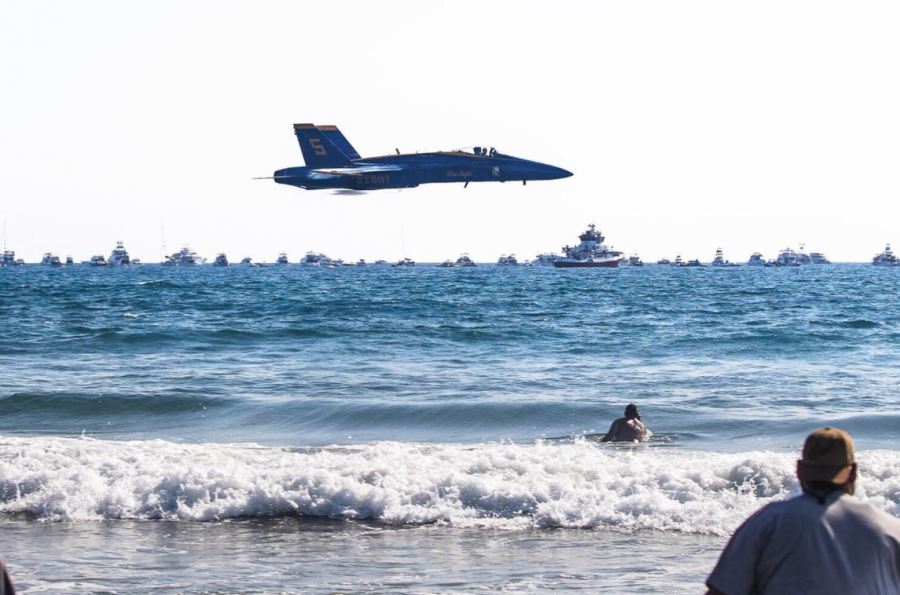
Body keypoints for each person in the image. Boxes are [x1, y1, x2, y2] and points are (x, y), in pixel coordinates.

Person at [706, 427, 900, 595]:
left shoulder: (767, 521)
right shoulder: (889, 527)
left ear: (799, 469)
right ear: (853, 472)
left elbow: (721, 592)